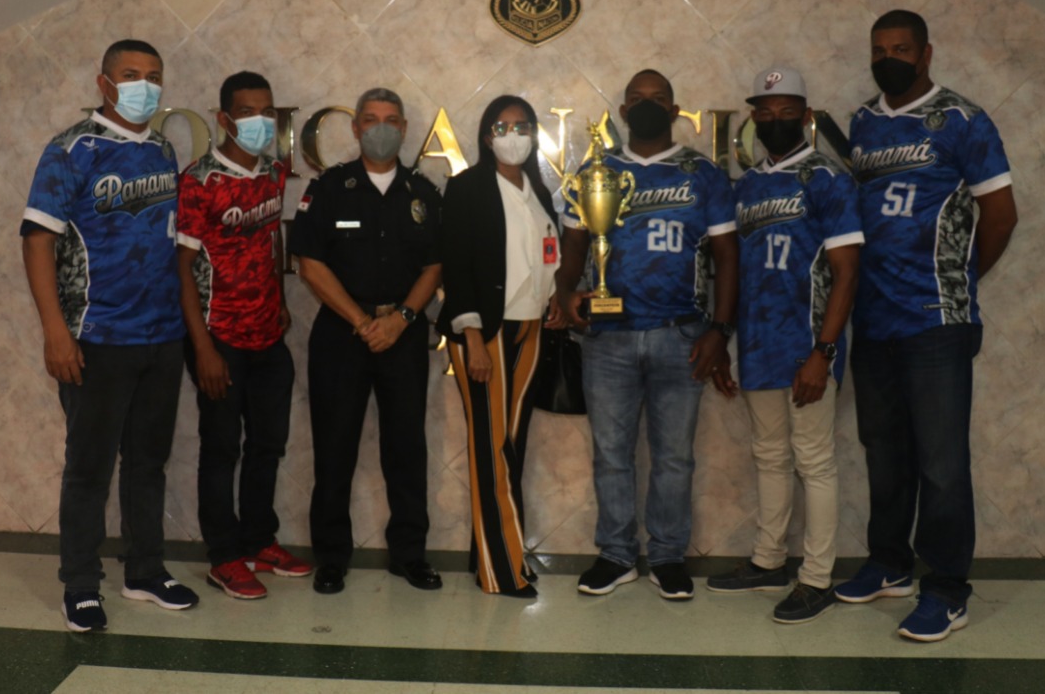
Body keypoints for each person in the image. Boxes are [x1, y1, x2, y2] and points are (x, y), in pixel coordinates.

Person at [836, 10, 1018, 642]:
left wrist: (961, 278)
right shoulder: (862, 122)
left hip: (936, 319)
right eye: (879, 49)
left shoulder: (963, 120)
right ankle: (890, 563)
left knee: (942, 463)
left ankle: (946, 589)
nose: (889, 58)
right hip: (873, 318)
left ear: (926, 54)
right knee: (885, 453)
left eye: (901, 49)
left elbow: (1001, 215)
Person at [21, 39, 199, 632]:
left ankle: (145, 571)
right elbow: (37, 240)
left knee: (148, 463)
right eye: (130, 74)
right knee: (89, 470)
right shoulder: (72, 149)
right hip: (96, 336)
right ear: (104, 84)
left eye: (153, 75)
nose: (143, 85)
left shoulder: (162, 150)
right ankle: (80, 585)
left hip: (161, 336)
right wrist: (55, 331)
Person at [555, 69, 739, 601]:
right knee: (611, 453)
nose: (647, 105)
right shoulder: (596, 171)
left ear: (675, 110)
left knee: (674, 457)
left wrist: (719, 330)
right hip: (608, 339)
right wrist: (565, 294)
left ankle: (667, 556)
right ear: (623, 111)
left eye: (658, 99)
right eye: (637, 98)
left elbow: (729, 259)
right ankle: (616, 555)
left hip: (681, 335)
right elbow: (573, 253)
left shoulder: (702, 173)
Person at [704, 67, 862, 624]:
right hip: (757, 343)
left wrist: (824, 351)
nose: (775, 120)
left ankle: (816, 578)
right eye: (766, 112)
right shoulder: (747, 186)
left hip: (808, 343)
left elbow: (847, 272)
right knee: (770, 456)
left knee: (814, 461)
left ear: (806, 116)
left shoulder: (827, 177)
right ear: (753, 117)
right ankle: (769, 560)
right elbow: (733, 270)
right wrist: (725, 339)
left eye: (787, 111)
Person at [289, 87, 443, 595]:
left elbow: (435, 265)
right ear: (355, 128)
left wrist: (401, 319)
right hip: (342, 335)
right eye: (371, 119)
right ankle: (331, 557)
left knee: (407, 449)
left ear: (404, 129)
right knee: (334, 449)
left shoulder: (423, 193)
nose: (381, 128)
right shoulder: (329, 188)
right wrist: (361, 321)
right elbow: (310, 263)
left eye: (391, 120)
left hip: (403, 333)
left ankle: (409, 555)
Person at [176, 71, 309, 600]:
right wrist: (203, 349)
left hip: (268, 336)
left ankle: (258, 541)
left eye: (267, 112)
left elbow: (270, 241)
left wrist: (280, 301)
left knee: (268, 445)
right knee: (221, 449)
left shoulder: (274, 173)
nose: (260, 121)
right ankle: (224, 556)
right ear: (224, 119)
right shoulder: (200, 181)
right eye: (248, 112)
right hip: (219, 338)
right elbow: (181, 269)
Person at [436, 95, 563, 598]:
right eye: (502, 126)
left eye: (522, 126)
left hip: (530, 328)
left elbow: (546, 254)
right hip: (484, 332)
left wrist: (553, 300)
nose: (513, 136)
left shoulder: (538, 190)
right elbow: (456, 265)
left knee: (510, 446)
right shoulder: (467, 188)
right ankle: (503, 572)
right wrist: (472, 338)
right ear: (487, 136)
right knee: (491, 451)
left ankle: (489, 554)